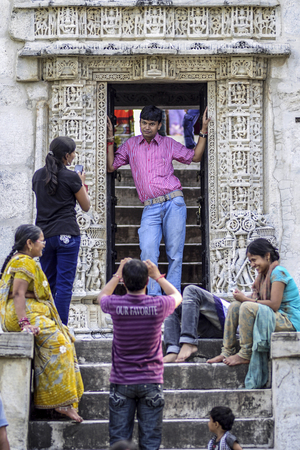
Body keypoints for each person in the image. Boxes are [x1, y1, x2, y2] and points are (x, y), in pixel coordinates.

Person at [107, 105, 210, 295]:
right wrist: (110, 138)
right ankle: (154, 297)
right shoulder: (130, 145)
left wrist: (202, 132)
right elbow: (111, 166)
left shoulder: (168, 143)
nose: (147, 127)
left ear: (159, 125)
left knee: (175, 255)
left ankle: (172, 298)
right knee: (147, 252)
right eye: (144, 123)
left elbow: (194, 156)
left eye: (151, 124)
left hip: (174, 202)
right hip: (150, 207)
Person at [0, 224, 84, 422]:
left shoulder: (21, 261)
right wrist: (24, 323)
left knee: (66, 337)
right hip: (24, 317)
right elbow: (19, 293)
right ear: (29, 244)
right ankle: (61, 403)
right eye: (41, 241)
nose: (44, 245)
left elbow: (20, 291)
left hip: (26, 314)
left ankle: (54, 401)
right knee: (60, 344)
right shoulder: (24, 262)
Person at [98, 258, 182, 450]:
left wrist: (118, 273)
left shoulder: (115, 305)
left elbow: (101, 295)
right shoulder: (158, 305)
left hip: (121, 380)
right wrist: (158, 276)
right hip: (151, 380)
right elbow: (177, 295)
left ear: (124, 282)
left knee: (119, 441)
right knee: (150, 442)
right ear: (147, 282)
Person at [208, 238, 300, 366]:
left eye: (254, 260)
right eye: (250, 261)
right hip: (273, 316)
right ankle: (227, 350)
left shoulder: (279, 272)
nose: (252, 265)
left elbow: (274, 304)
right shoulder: (262, 277)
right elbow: (258, 299)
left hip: (288, 320)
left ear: (267, 256)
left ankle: (246, 353)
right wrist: (241, 296)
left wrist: (245, 299)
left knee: (246, 306)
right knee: (235, 306)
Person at [32, 136, 90, 325]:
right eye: (73, 153)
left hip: (44, 236)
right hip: (67, 234)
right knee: (64, 286)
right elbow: (86, 206)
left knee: (48, 283)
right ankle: (61, 328)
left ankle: (48, 325)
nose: (74, 156)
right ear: (67, 156)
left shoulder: (38, 176)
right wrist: (81, 183)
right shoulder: (71, 177)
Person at [163, 285, 229, 363]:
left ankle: (189, 341)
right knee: (170, 303)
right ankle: (173, 350)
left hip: (228, 320)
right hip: (212, 329)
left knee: (191, 290)